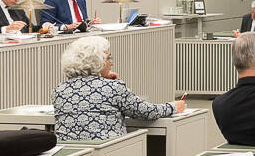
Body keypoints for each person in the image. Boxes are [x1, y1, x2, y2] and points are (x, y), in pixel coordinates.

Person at [52, 36, 183, 141]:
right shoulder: (113, 87)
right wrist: (173, 106)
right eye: (108, 58)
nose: (111, 63)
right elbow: (146, 112)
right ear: (97, 61)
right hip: (110, 153)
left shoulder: (59, 90)